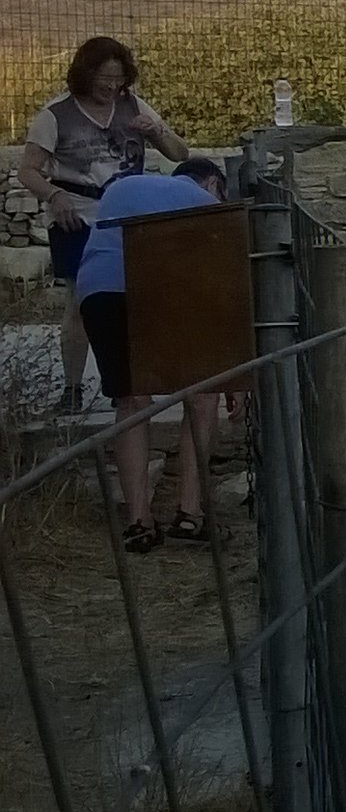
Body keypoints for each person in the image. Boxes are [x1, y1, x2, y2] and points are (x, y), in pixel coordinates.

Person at [17, 36, 189, 414]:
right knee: (82, 301)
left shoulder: (133, 107)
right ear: (85, 76)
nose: (112, 87)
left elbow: (181, 153)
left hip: (129, 214)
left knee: (138, 299)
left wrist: (156, 132)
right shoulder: (55, 115)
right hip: (76, 216)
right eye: (104, 79)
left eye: (118, 78)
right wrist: (54, 196)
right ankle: (74, 389)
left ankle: (136, 383)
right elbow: (28, 171)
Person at [77, 157, 225, 553]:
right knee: (203, 395)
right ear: (212, 182)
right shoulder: (206, 200)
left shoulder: (121, 187)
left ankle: (139, 522)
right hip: (161, 286)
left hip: (98, 290)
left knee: (131, 401)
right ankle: (190, 513)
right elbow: (221, 283)